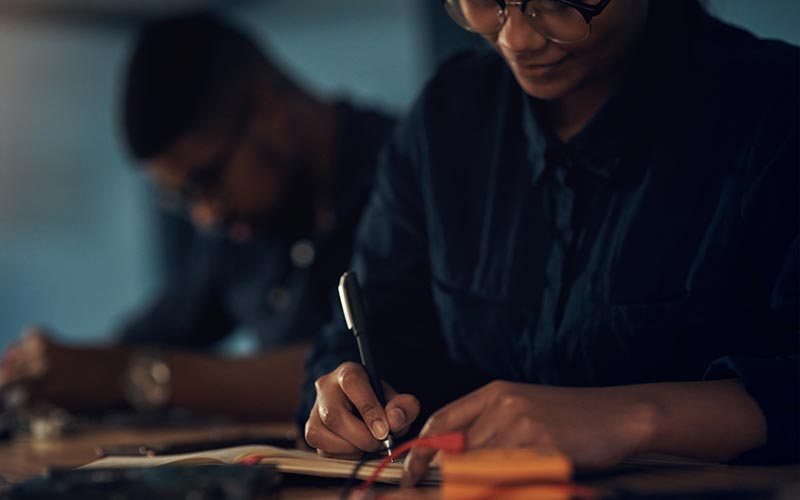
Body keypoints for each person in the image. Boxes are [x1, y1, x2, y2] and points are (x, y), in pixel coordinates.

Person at [301, 0, 799, 485]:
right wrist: (345, 397)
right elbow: (363, 332)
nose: (516, 38)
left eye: (561, 3)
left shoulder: (775, 110)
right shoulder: (447, 120)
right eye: (486, 1)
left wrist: (635, 418)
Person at [0, 14, 395, 421]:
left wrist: (134, 377)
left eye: (205, 182)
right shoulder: (243, 226)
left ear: (268, 113)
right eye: (182, 198)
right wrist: (67, 374)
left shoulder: (407, 177)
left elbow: (374, 360)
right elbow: (155, 336)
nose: (205, 215)